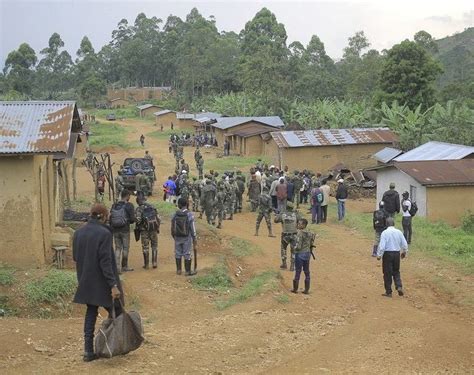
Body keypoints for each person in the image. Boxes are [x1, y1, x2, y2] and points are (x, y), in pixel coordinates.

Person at [72, 203, 123, 362]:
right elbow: (105, 262)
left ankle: (88, 351)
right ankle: (116, 345)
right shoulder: (104, 233)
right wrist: (113, 285)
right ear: (103, 216)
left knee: (91, 312)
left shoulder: (78, 233)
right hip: (102, 282)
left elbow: (75, 257)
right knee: (117, 310)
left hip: (86, 279)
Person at [377, 217, 408, 297]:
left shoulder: (385, 233)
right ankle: (399, 286)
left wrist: (379, 255)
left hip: (388, 254)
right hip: (396, 254)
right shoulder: (399, 232)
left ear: (386, 224)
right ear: (393, 224)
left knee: (387, 273)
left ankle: (388, 291)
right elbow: (404, 244)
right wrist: (404, 252)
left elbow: (382, 246)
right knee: (396, 271)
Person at [110, 189, 136, 273]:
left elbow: (111, 217)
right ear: (128, 196)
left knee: (118, 248)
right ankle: (124, 266)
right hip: (125, 230)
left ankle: (117, 268)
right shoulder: (129, 205)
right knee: (125, 248)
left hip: (115, 229)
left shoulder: (114, 205)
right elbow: (132, 219)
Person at [171, 197, 198, 276]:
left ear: (179, 205)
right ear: (186, 204)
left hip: (177, 237)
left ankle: (179, 270)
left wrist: (174, 236)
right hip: (186, 238)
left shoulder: (175, 214)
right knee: (187, 253)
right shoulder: (189, 215)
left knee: (177, 253)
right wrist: (194, 239)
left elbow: (172, 226)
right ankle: (187, 271)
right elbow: (193, 229)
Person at [135, 196, 161, 269]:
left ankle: (146, 265)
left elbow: (138, 220)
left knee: (145, 247)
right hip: (154, 229)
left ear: (138, 202)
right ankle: (154, 262)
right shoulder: (152, 207)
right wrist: (157, 227)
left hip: (144, 231)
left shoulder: (139, 209)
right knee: (154, 246)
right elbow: (158, 218)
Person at [274, 201, 301, 270]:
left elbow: (275, 220)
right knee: (293, 250)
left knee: (283, 249)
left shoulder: (283, 214)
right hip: (294, 234)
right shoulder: (296, 214)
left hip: (285, 235)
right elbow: (301, 220)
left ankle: (284, 264)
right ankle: (292, 265)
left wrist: (280, 213)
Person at [291, 218, 315, 294]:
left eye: (300, 224)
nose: (298, 225)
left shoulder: (300, 233)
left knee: (298, 271)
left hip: (300, 254)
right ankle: (306, 290)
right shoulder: (310, 233)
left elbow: (298, 246)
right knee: (307, 271)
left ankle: (295, 289)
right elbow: (311, 243)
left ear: (304, 225)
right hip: (307, 254)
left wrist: (294, 248)